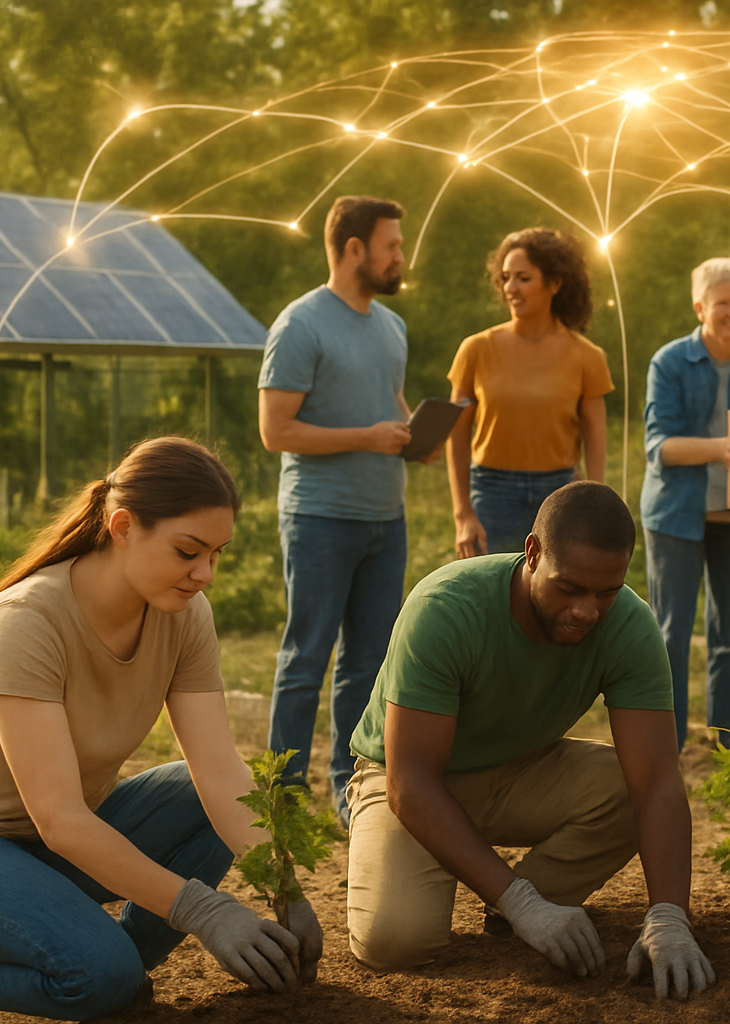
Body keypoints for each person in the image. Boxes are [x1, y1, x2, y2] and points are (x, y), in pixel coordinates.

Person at [0, 438, 323, 1023]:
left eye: (216, 554)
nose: (205, 574)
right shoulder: (25, 621)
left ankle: (116, 969)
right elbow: (60, 818)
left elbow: (219, 771)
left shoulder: (185, 616)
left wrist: (284, 887)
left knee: (206, 799)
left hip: (53, 846)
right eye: (188, 551)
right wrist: (204, 910)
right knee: (101, 975)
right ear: (123, 527)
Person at [344, 481, 713, 999]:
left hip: (520, 770)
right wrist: (523, 902)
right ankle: (513, 899)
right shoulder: (446, 607)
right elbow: (411, 782)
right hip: (409, 780)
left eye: (606, 592)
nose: (587, 610)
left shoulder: (629, 625)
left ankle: (513, 906)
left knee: (628, 787)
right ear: (533, 553)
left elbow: (656, 783)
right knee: (394, 941)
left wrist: (669, 915)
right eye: (570, 588)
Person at [259, 195, 415, 827]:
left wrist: (414, 433)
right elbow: (275, 430)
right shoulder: (300, 325)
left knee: (367, 665)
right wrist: (367, 437)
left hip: (386, 518)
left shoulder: (392, 325)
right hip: (319, 518)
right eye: (391, 245)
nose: (400, 256)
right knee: (306, 659)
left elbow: (391, 402)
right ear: (354, 248)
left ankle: (352, 793)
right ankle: (284, 798)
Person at [640, 257, 730, 749]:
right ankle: (668, 747)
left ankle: (726, 747)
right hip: (675, 511)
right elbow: (659, 447)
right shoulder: (669, 362)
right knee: (670, 636)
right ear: (700, 307)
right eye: (723, 303)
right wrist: (719, 449)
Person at [447, 227, 614, 558]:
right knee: (495, 587)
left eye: (523, 278)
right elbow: (457, 433)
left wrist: (594, 504)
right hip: (492, 494)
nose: (510, 288)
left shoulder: (588, 356)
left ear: (554, 283)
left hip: (559, 493)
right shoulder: (475, 349)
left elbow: (595, 435)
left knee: (557, 587)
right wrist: (462, 513)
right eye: (506, 278)